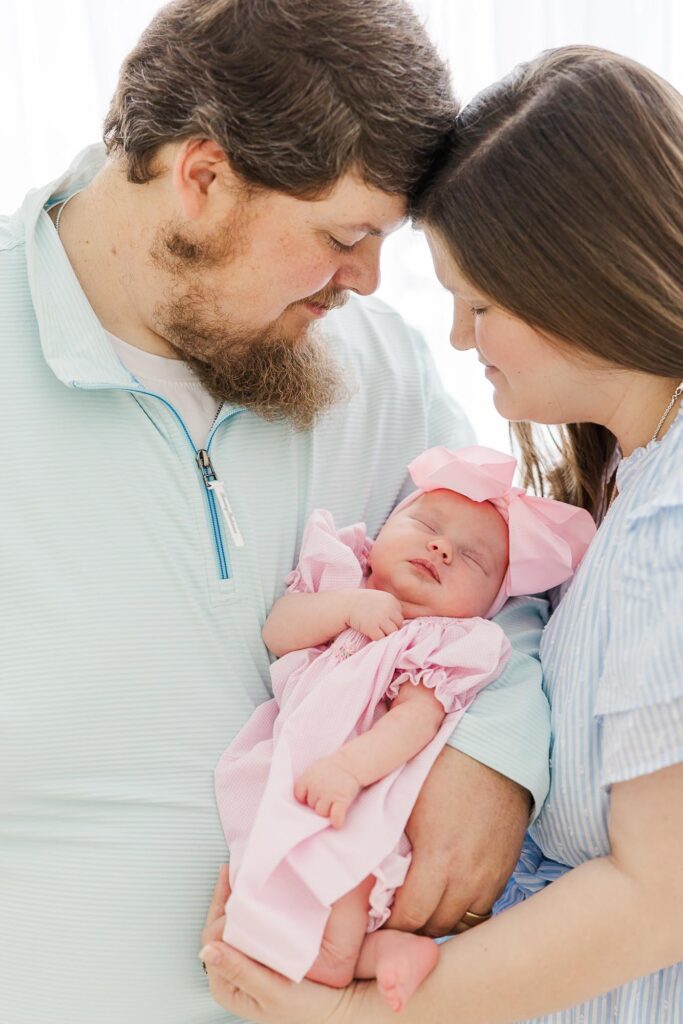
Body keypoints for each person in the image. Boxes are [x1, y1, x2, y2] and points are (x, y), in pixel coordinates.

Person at [0, 3, 553, 1023]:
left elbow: (508, 581)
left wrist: (495, 759)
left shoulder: (378, 367)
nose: (369, 281)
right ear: (202, 179)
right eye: (345, 236)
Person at [198, 44, 683, 1024]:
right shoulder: (628, 490)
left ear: (577, 285)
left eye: (479, 305)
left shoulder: (663, 531)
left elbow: (657, 897)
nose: (461, 340)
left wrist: (352, 1017)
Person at [215, 445, 595, 1014]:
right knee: (263, 878)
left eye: (471, 559)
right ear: (382, 533)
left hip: (367, 782)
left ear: (489, 604)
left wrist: (350, 769)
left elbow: (418, 719)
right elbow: (279, 631)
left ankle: (357, 959)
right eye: (426, 526)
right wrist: (346, 608)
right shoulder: (339, 578)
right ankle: (377, 954)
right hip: (291, 762)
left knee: (342, 878)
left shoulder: (443, 641)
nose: (441, 547)